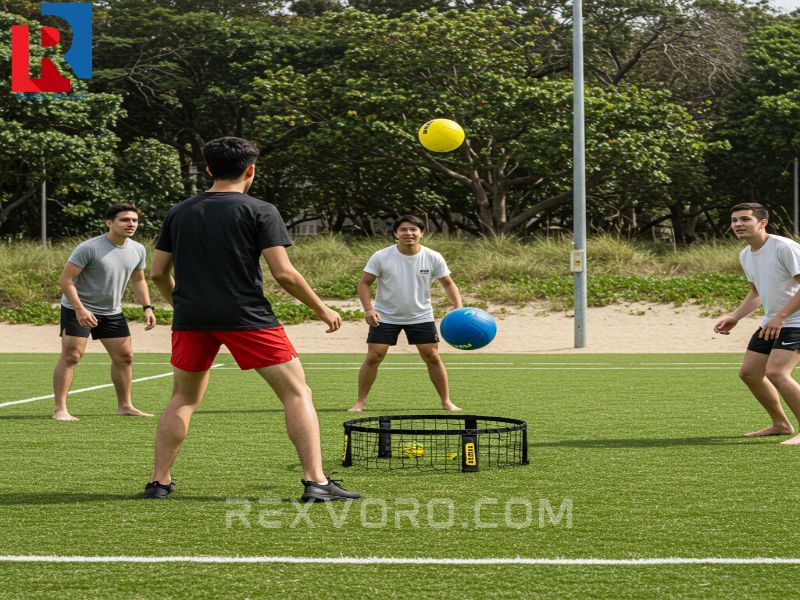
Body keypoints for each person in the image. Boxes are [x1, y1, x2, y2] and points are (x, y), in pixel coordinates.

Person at [145, 136, 360, 501]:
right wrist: (322, 309)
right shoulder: (261, 210)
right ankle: (316, 482)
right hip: (246, 315)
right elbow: (285, 274)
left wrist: (179, 303)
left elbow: (157, 273)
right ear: (251, 170)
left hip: (191, 319)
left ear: (208, 170)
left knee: (182, 398)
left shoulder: (178, 211)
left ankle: (159, 482)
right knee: (297, 393)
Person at [348, 215, 463, 413]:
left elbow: (448, 283)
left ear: (421, 233)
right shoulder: (381, 256)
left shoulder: (433, 257)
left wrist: (459, 308)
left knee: (432, 356)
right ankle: (360, 402)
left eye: (413, 229)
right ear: (395, 234)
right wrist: (368, 309)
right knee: (374, 356)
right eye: (403, 230)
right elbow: (364, 283)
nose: (408, 233)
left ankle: (446, 402)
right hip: (385, 316)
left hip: (421, 315)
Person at [53, 204, 156, 421]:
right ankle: (60, 409)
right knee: (72, 356)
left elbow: (138, 280)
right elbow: (66, 280)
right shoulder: (89, 248)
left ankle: (125, 406)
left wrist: (147, 307)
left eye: (134, 221)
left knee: (125, 357)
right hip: (77, 308)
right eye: (125, 220)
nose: (131, 224)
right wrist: (80, 309)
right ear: (110, 223)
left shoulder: (138, 249)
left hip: (111, 311)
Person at [714, 202, 800, 445]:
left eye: (745, 219)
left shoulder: (784, 247)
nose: (738, 224)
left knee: (777, 372)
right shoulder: (746, 254)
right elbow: (756, 293)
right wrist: (735, 316)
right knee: (750, 373)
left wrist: (780, 317)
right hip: (774, 321)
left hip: (795, 321)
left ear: (762, 223)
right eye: (734, 221)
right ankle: (781, 424)